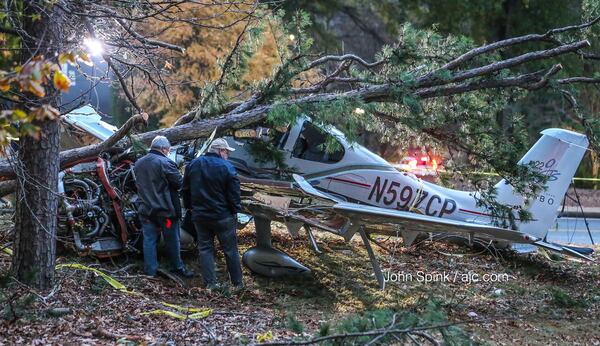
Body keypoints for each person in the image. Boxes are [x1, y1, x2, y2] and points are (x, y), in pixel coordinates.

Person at [182, 137, 243, 290]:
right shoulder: (227, 167)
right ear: (220, 151)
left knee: (205, 249)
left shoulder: (193, 164)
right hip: (223, 216)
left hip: (200, 216)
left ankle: (210, 283)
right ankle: (237, 283)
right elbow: (234, 193)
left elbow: (185, 189)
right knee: (230, 250)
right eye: (227, 152)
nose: (227, 155)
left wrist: (189, 208)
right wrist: (235, 210)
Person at [134, 135, 193, 278]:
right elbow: (179, 183)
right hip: (165, 213)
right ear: (164, 149)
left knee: (149, 240)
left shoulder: (139, 163)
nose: (168, 152)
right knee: (172, 240)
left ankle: (150, 271)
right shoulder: (165, 162)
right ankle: (177, 267)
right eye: (168, 150)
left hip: (146, 211)